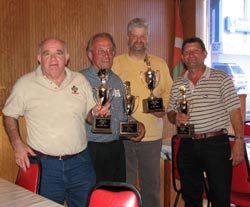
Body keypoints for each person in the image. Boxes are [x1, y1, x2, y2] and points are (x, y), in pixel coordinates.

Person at [2, 37, 111, 207]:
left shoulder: (80, 81)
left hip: (81, 164)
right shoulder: (25, 85)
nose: (53, 58)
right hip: (45, 167)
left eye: (59, 53)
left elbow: (89, 116)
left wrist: (96, 114)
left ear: (67, 57)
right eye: (47, 53)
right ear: (39, 58)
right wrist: (17, 144)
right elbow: (9, 114)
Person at [167, 37, 245, 207]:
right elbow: (170, 112)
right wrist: (175, 117)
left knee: (220, 197)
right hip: (187, 143)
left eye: (195, 51)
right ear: (182, 58)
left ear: (204, 54)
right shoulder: (178, 83)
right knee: (191, 197)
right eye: (187, 52)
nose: (191, 55)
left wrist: (239, 140)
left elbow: (234, 110)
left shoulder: (221, 78)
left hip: (215, 144)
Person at [112, 18, 173, 207]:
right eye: (135, 36)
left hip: (152, 137)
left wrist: (162, 108)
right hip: (124, 136)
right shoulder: (116, 63)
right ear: (128, 38)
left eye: (142, 36)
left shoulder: (159, 64)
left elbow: (169, 93)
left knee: (151, 187)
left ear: (148, 38)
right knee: (126, 186)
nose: (139, 40)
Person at [81, 32, 145, 183]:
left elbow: (123, 114)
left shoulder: (117, 81)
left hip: (116, 148)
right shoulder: (80, 80)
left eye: (110, 50)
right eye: (101, 50)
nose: (106, 55)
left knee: (115, 195)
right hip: (91, 150)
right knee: (93, 198)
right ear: (90, 55)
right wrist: (92, 115)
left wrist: (136, 126)